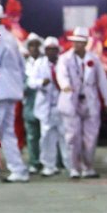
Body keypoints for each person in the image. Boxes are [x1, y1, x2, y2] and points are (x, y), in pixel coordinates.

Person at [56, 27, 107, 179]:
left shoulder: (94, 59)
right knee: (72, 137)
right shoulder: (64, 59)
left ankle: (88, 167)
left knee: (91, 137)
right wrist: (65, 85)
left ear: (86, 43)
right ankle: (74, 168)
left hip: (89, 101)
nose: (77, 45)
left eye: (80, 42)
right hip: (71, 101)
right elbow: (61, 74)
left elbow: (102, 82)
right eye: (75, 42)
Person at [0, 2, 29, 183]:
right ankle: (18, 170)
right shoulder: (10, 37)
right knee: (7, 133)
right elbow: (22, 66)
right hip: (9, 90)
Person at [28, 36, 69, 176]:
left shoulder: (64, 62)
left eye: (54, 49)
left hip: (62, 105)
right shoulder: (39, 63)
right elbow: (31, 82)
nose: (51, 51)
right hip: (46, 107)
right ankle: (48, 166)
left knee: (66, 136)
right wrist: (41, 82)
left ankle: (69, 165)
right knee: (46, 137)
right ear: (45, 50)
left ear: (58, 50)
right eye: (48, 49)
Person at [23, 33, 43, 173]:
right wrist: (28, 86)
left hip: (44, 102)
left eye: (37, 45)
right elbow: (18, 83)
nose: (34, 48)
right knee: (32, 135)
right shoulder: (22, 63)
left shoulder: (46, 62)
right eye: (31, 45)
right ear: (28, 47)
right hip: (29, 102)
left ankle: (48, 162)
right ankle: (34, 162)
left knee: (46, 134)